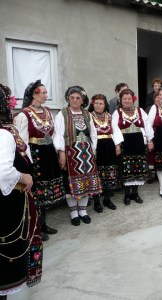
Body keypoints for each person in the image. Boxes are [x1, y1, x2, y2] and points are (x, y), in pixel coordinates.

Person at [0, 83, 42, 299]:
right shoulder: (3, 134)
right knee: (7, 253)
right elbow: (3, 172)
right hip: (7, 200)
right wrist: (22, 176)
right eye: (8, 102)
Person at [15, 80, 65, 241]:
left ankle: (43, 223)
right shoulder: (24, 114)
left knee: (45, 191)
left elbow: (55, 133)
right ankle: (35, 226)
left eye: (46, 92)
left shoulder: (48, 111)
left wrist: (59, 152)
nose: (46, 95)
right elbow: (22, 141)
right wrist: (27, 162)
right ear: (34, 95)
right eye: (43, 92)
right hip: (35, 155)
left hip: (49, 153)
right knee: (36, 191)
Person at [54, 86, 101, 226]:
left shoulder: (87, 114)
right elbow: (58, 134)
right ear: (68, 99)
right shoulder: (62, 114)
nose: (74, 100)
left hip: (87, 152)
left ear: (82, 100)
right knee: (71, 183)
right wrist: (61, 152)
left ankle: (83, 210)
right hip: (71, 153)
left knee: (86, 181)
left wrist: (94, 150)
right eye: (72, 97)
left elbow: (93, 133)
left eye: (78, 98)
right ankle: (73, 212)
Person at [113, 89, 153, 205]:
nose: (127, 101)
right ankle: (127, 195)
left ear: (133, 99)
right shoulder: (117, 113)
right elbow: (115, 129)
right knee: (126, 169)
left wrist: (150, 140)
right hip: (126, 143)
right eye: (124, 98)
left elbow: (147, 126)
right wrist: (118, 145)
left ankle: (135, 193)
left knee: (138, 168)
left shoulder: (140, 111)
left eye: (129, 98)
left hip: (139, 142)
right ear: (121, 100)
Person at [88, 94, 123, 211]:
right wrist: (93, 149)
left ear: (105, 105)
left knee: (109, 172)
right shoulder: (89, 116)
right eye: (96, 103)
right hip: (96, 147)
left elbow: (116, 131)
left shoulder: (109, 116)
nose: (98, 105)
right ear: (93, 104)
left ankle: (107, 199)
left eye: (101, 103)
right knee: (97, 173)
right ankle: (97, 201)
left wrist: (117, 145)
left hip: (109, 146)